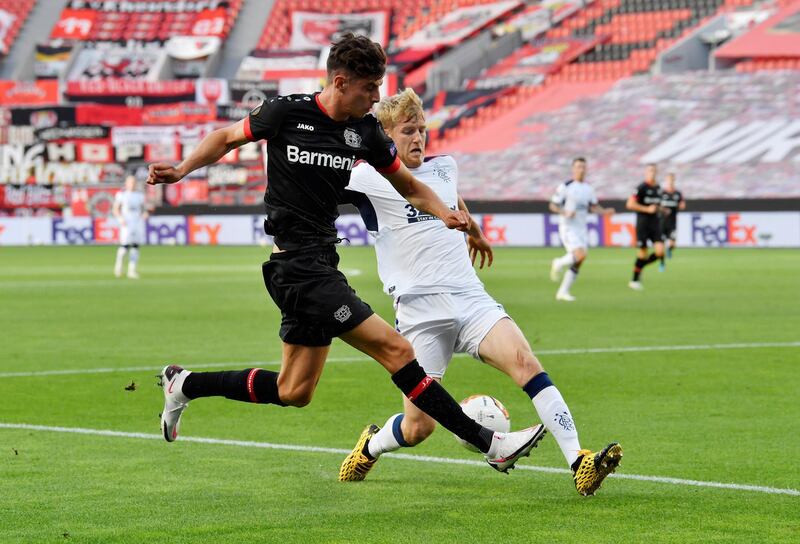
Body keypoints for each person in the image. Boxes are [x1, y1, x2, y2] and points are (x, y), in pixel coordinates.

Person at [146, 33, 544, 475]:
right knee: (397, 350)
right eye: (369, 88)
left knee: (294, 389)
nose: (376, 97)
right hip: (296, 268)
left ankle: (183, 384)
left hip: (320, 264)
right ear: (340, 82)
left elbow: (408, 185)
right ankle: (490, 443)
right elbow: (225, 137)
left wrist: (446, 213)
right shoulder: (285, 112)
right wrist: (182, 170)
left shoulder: (366, 132)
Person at [338, 89, 622, 495]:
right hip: (420, 313)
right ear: (385, 136)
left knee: (526, 362)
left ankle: (580, 461)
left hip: (470, 298)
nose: (419, 138)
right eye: (408, 131)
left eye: (422, 130)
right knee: (419, 426)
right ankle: (372, 444)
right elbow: (321, 186)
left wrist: (475, 231)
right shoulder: (365, 177)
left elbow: (449, 195)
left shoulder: (445, 166)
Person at [548, 158, 615, 301]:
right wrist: (564, 212)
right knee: (580, 254)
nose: (581, 169)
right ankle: (558, 262)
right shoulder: (566, 186)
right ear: (573, 169)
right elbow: (553, 205)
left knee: (579, 260)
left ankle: (562, 292)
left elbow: (593, 206)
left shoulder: (588, 188)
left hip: (581, 228)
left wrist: (605, 212)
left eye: (583, 167)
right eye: (578, 167)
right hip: (568, 226)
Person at [626, 163, 663, 290]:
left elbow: (657, 205)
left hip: (656, 224)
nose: (652, 173)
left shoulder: (658, 188)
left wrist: (662, 209)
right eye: (650, 170)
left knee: (660, 252)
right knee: (642, 253)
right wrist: (647, 209)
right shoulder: (641, 187)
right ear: (646, 173)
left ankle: (640, 267)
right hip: (643, 224)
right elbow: (630, 204)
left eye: (654, 170)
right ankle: (634, 280)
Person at [112, 175, 147, 279]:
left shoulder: (139, 195)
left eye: (134, 182)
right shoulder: (121, 195)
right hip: (126, 223)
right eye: (130, 182)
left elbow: (143, 208)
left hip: (137, 222)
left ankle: (132, 270)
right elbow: (115, 209)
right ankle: (118, 266)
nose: (132, 184)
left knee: (135, 246)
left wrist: (145, 213)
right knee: (124, 247)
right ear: (126, 184)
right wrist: (120, 219)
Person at [658, 172, 685, 270]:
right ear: (666, 181)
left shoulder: (677, 193)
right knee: (660, 247)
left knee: (673, 244)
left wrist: (681, 205)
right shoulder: (661, 193)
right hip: (661, 223)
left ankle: (669, 249)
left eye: (672, 180)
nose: (670, 182)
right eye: (668, 180)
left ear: (674, 181)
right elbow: (656, 205)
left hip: (672, 223)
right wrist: (663, 209)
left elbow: (682, 204)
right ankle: (662, 263)